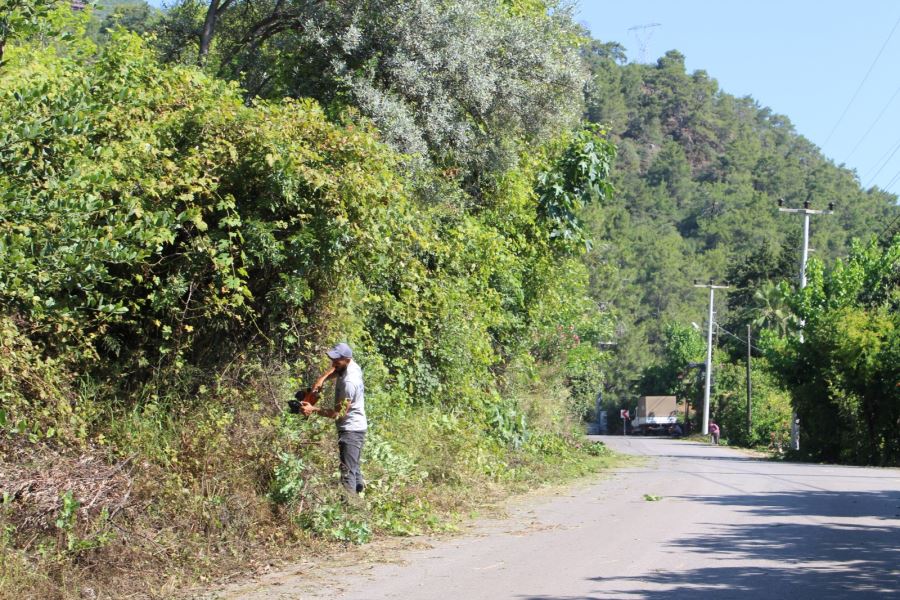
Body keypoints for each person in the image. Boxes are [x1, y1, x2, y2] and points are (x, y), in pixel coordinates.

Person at [302, 343, 368, 494]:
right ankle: (359, 497)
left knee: (347, 474)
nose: (333, 364)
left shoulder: (349, 382)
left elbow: (338, 414)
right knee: (354, 470)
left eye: (337, 361)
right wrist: (322, 379)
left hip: (351, 431)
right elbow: (335, 369)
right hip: (356, 427)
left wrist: (312, 409)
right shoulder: (351, 365)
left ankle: (350, 510)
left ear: (346, 359)